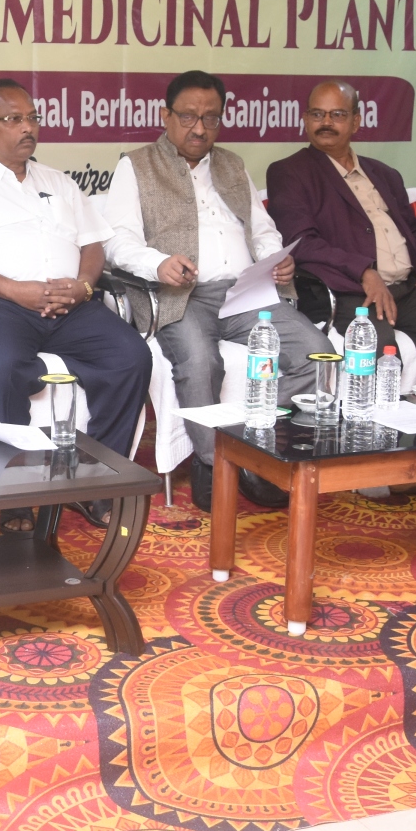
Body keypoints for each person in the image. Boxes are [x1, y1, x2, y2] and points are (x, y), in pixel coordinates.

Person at [0, 78, 151, 533]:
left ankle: (96, 483)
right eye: (13, 119)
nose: (27, 128)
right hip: (4, 306)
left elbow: (93, 245)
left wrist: (84, 288)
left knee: (131, 356)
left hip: (73, 306)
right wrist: (13, 290)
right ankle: (14, 497)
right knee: (3, 367)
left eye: (32, 118)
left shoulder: (60, 182)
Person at [103, 69, 329, 512]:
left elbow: (262, 230)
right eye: (188, 116)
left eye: (210, 118)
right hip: (181, 296)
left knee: (316, 354)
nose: (199, 128)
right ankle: (213, 462)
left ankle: (254, 449)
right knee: (201, 361)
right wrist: (157, 263)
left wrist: (276, 257)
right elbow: (117, 242)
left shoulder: (231, 164)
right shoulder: (137, 164)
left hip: (247, 293)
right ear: (166, 116)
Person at [267, 79, 416, 500]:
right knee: (379, 348)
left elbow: (414, 229)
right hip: (352, 293)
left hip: (409, 288)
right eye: (317, 114)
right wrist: (363, 271)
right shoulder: (290, 172)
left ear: (356, 121)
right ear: (305, 119)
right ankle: (379, 463)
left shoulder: (384, 174)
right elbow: (301, 241)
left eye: (337, 114)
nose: (325, 122)